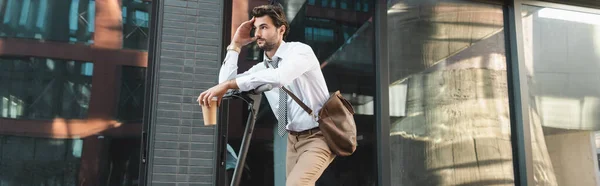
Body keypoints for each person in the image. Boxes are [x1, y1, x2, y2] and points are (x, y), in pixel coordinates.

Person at [197, 4, 334, 186]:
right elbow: (226, 87)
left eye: (264, 27)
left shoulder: (300, 52)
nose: (258, 34)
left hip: (319, 135)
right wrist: (235, 45)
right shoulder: (262, 69)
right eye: (256, 28)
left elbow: (280, 77)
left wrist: (231, 84)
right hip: (293, 139)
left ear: (281, 29)